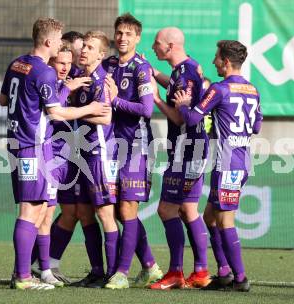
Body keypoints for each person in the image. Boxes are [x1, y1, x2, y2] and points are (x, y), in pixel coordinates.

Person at [0, 18, 109, 290]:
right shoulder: (44, 72)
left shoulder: (17, 64)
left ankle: (27, 273)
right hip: (34, 147)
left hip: (19, 143)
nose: (62, 45)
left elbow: (3, 100)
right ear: (49, 42)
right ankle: (23, 277)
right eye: (59, 40)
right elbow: (57, 113)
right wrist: (90, 108)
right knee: (31, 211)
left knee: (37, 211)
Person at [173, 40, 263, 292]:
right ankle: (223, 272)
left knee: (225, 220)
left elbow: (192, 119)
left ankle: (241, 278)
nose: (213, 61)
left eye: (216, 57)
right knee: (210, 217)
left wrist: (182, 104)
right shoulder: (252, 89)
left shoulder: (220, 89)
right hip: (242, 160)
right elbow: (256, 127)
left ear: (225, 61)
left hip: (228, 163)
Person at [101, 13, 163, 290]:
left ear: (138, 38)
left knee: (127, 208)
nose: (122, 38)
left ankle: (122, 273)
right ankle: (149, 265)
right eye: (119, 33)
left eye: (128, 33)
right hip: (112, 146)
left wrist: (115, 101)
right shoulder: (109, 64)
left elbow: (147, 110)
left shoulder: (141, 68)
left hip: (136, 146)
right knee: (116, 210)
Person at [148, 27, 211, 290]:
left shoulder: (184, 74)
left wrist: (156, 99)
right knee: (188, 210)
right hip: (196, 149)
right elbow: (177, 86)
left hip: (186, 152)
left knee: (166, 210)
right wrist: (154, 73)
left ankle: (175, 272)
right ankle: (201, 271)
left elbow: (177, 117)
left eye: (157, 43)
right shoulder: (187, 68)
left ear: (171, 45)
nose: (154, 47)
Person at [30, 42, 95, 285]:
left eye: (70, 63)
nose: (67, 67)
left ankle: (44, 267)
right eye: (62, 62)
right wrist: (72, 93)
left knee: (56, 214)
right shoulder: (50, 84)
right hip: (48, 157)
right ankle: (29, 270)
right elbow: (55, 114)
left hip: (65, 158)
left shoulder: (65, 82)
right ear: (51, 61)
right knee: (39, 215)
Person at [69, 30, 120, 288]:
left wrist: (73, 113)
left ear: (101, 54)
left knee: (104, 213)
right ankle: (97, 271)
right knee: (84, 213)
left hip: (100, 155)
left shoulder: (100, 81)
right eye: (84, 46)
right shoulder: (80, 78)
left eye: (90, 47)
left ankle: (114, 274)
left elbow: (106, 117)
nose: (84, 50)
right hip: (81, 155)